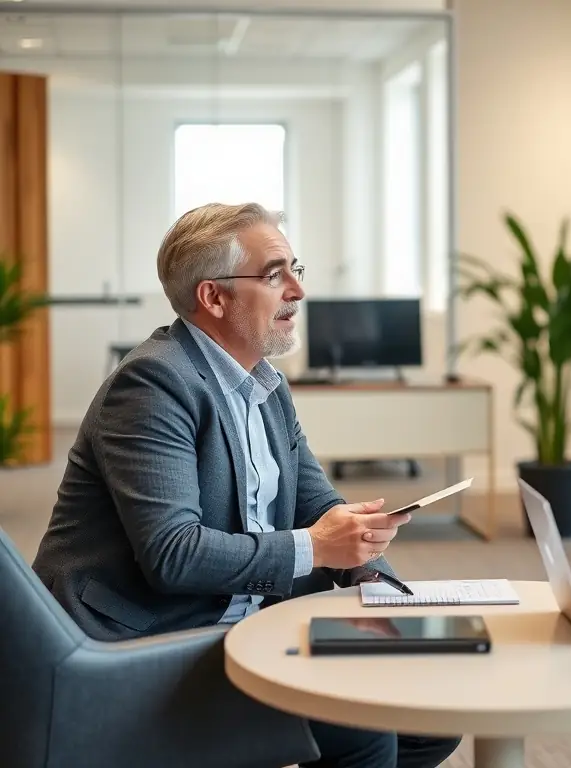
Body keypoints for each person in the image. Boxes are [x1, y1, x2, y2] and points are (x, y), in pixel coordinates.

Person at [32, 202, 460, 768]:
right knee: (364, 728)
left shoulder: (266, 386)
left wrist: (370, 574)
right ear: (214, 297)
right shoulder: (153, 384)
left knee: (433, 721)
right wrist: (317, 546)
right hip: (140, 645)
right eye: (275, 274)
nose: (298, 292)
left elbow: (318, 503)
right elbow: (174, 554)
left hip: (246, 620)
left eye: (295, 270)